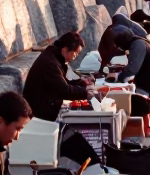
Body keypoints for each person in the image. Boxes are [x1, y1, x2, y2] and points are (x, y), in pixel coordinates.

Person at [22, 30, 98, 165]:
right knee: (72, 140)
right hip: (39, 116)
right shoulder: (50, 63)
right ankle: (92, 165)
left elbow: (61, 83)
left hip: (44, 111)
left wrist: (81, 84)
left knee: (72, 138)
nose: (75, 56)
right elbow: (63, 90)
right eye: (75, 53)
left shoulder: (53, 58)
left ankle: (91, 164)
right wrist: (85, 93)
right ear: (65, 50)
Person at [113, 25, 150, 99]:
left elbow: (132, 69)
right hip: (148, 83)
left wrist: (118, 77)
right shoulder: (137, 42)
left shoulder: (138, 45)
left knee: (137, 104)